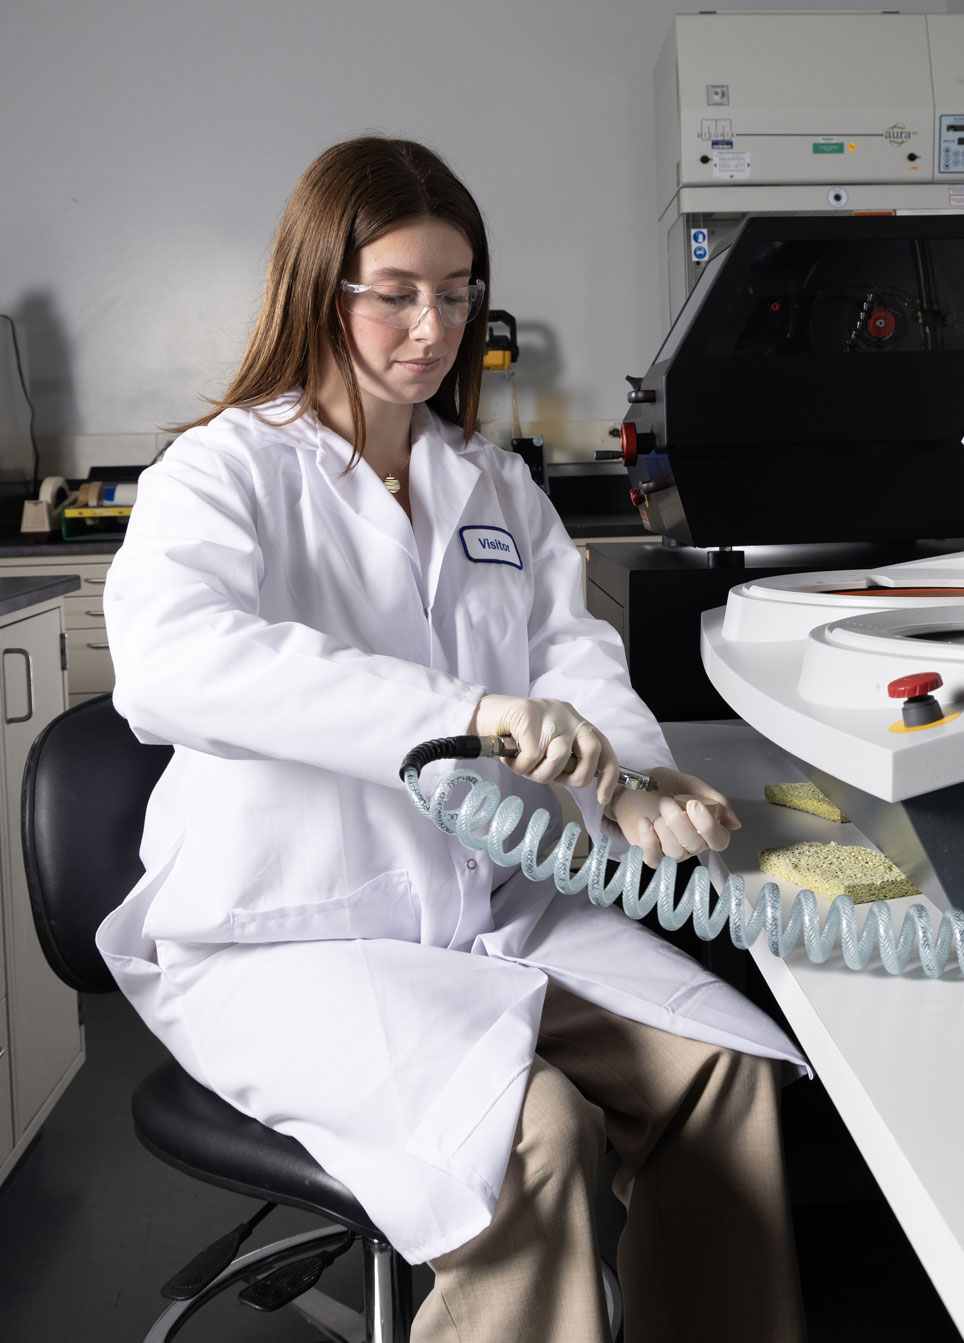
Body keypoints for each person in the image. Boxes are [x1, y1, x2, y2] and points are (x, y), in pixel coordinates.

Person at [97, 136, 809, 1342]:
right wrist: (459, 713)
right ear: (320, 288)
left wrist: (628, 780)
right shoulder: (221, 472)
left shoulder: (490, 484)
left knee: (719, 1071)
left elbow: (568, 654)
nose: (432, 327)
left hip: (487, 913)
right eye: (397, 293)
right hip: (286, 937)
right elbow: (173, 661)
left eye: (457, 291)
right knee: (530, 1133)